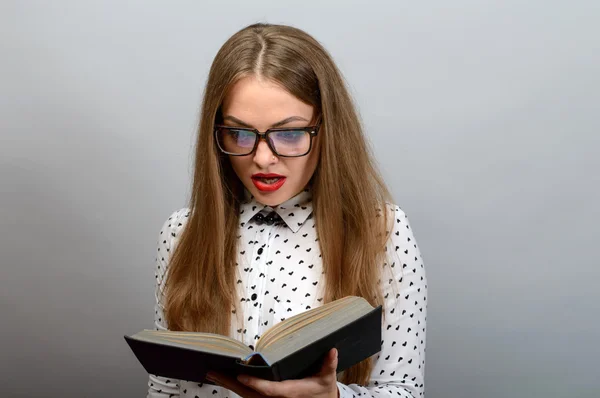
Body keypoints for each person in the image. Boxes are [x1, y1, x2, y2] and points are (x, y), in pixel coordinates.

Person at [148, 23, 427, 398]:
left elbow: (404, 390)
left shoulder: (382, 230)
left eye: (290, 133)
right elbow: (166, 388)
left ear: (326, 130)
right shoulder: (182, 233)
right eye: (240, 134)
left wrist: (334, 397)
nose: (263, 159)